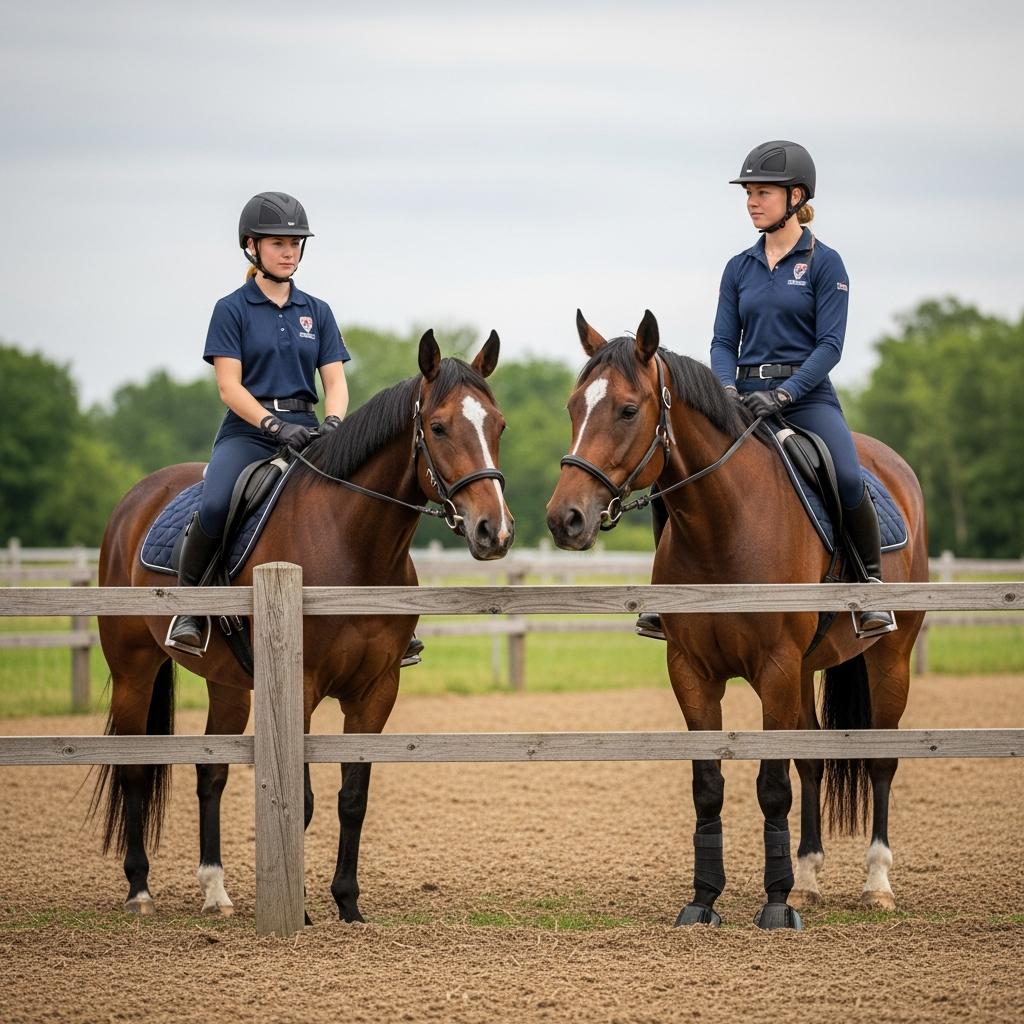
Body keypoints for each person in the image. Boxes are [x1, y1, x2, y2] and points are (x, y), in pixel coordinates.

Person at [638, 141, 894, 641]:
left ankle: (870, 590)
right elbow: (722, 341)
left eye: (763, 193)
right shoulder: (739, 267)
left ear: (796, 197)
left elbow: (830, 345)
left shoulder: (826, 263)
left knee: (846, 477)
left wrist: (784, 395)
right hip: (741, 397)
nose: (752, 202)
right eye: (749, 193)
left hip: (807, 397)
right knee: (667, 477)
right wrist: (726, 390)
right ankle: (664, 597)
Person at [166, 193, 424, 666]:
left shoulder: (316, 310)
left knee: (364, 500)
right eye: (278, 243)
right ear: (251, 246)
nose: (289, 252)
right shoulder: (232, 308)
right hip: (249, 432)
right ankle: (191, 610)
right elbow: (228, 386)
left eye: (295, 243)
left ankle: (392, 619)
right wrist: (271, 424)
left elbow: (335, 383)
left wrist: (334, 423)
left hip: (310, 430)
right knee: (218, 502)